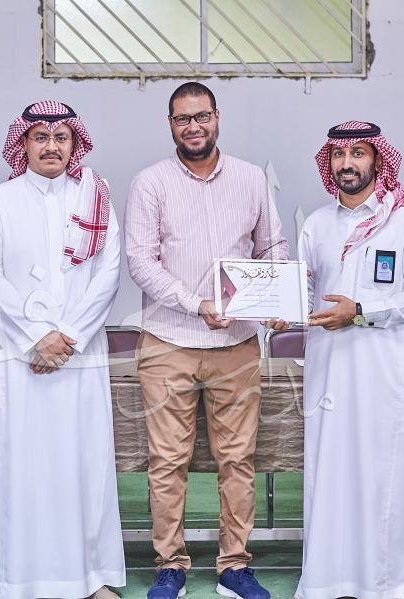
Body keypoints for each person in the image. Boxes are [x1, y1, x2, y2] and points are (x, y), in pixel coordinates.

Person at [125, 82, 286, 599]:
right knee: (167, 462)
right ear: (170, 124)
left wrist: (277, 296)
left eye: (201, 116)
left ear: (217, 117)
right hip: (168, 342)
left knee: (237, 461)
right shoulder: (150, 183)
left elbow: (272, 247)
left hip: (237, 343)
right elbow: (140, 260)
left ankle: (233, 567)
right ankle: (170, 566)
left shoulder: (251, 178)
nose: (193, 127)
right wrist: (196, 304)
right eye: (182, 119)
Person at [267, 120, 404, 599]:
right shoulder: (318, 225)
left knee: (386, 476)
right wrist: (282, 312)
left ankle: (392, 584)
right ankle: (328, 580)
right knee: (333, 475)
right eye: (339, 155)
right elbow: (304, 294)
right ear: (329, 162)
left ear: (377, 159)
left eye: (358, 153)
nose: (347, 163)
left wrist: (360, 312)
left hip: (386, 373)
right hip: (330, 374)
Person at [0, 100, 125, 599]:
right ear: (24, 144)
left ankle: (89, 577)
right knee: (14, 465)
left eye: (61, 137)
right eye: (40, 137)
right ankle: (5, 578)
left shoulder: (95, 197)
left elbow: (109, 273)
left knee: (81, 466)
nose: (51, 146)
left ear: (74, 143)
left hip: (78, 356)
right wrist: (36, 337)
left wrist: (68, 336)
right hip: (16, 360)